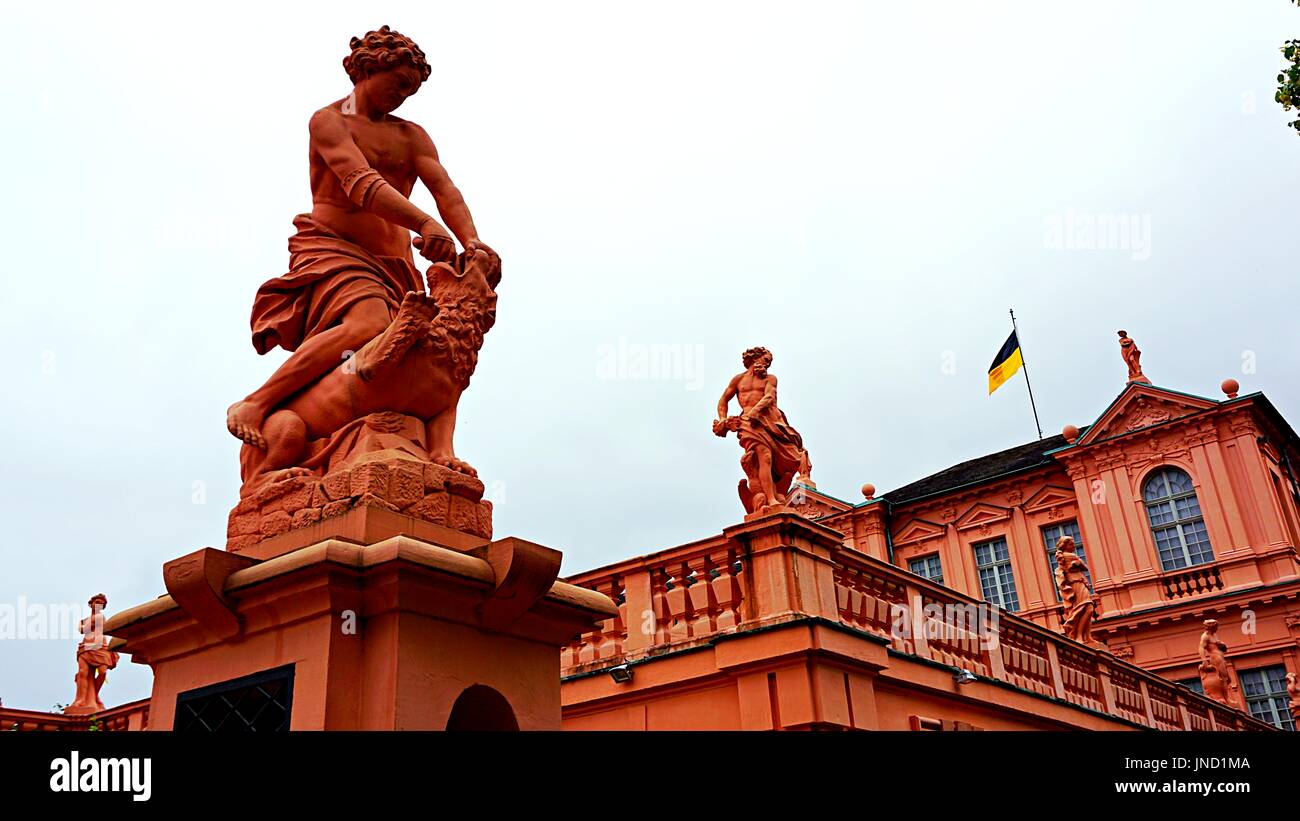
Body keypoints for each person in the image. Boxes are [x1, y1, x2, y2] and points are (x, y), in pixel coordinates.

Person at [227, 26, 495, 448]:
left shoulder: (412, 136)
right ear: (371, 67)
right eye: (400, 82)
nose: (404, 95)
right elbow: (360, 184)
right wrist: (425, 224)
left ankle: (368, 432)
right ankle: (256, 404)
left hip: (397, 266)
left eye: (412, 89)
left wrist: (472, 241)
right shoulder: (329, 121)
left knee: (405, 352)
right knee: (369, 324)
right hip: (337, 250)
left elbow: (445, 189)